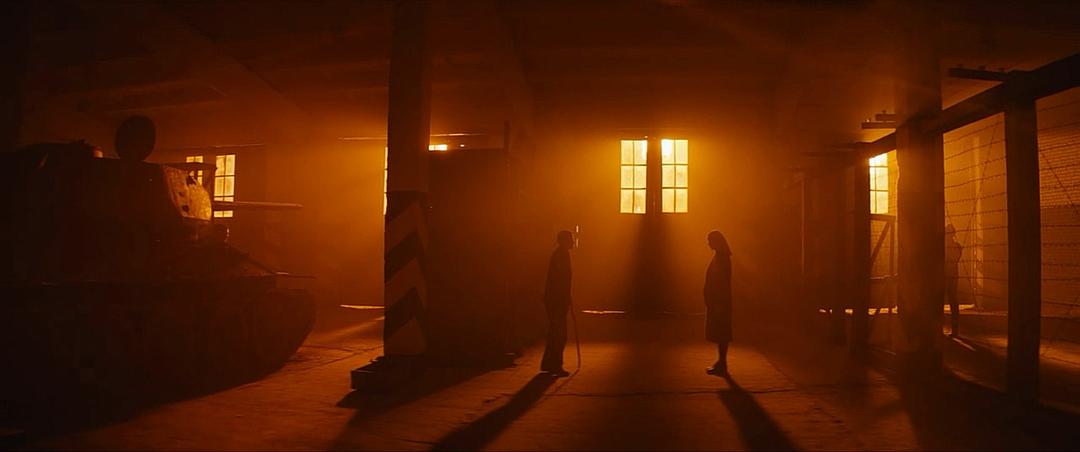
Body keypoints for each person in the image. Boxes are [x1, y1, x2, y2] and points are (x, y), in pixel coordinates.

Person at [540, 230, 574, 377]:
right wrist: (564, 297)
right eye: (570, 239)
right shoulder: (561, 256)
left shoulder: (561, 254)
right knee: (559, 334)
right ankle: (555, 365)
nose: (573, 242)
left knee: (555, 332)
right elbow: (560, 281)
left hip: (555, 299)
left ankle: (549, 364)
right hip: (556, 300)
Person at [704, 230, 733, 376]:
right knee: (721, 331)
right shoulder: (720, 256)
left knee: (721, 332)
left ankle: (722, 362)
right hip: (719, 300)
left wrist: (718, 302)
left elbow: (721, 282)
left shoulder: (721, 258)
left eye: (710, 240)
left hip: (720, 301)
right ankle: (721, 362)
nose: (708, 243)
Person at [945, 223, 963, 337]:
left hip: (947, 276)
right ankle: (954, 329)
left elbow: (952, 259)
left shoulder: (949, 247)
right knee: (953, 301)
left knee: (952, 301)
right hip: (951, 276)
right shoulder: (957, 247)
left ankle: (954, 329)